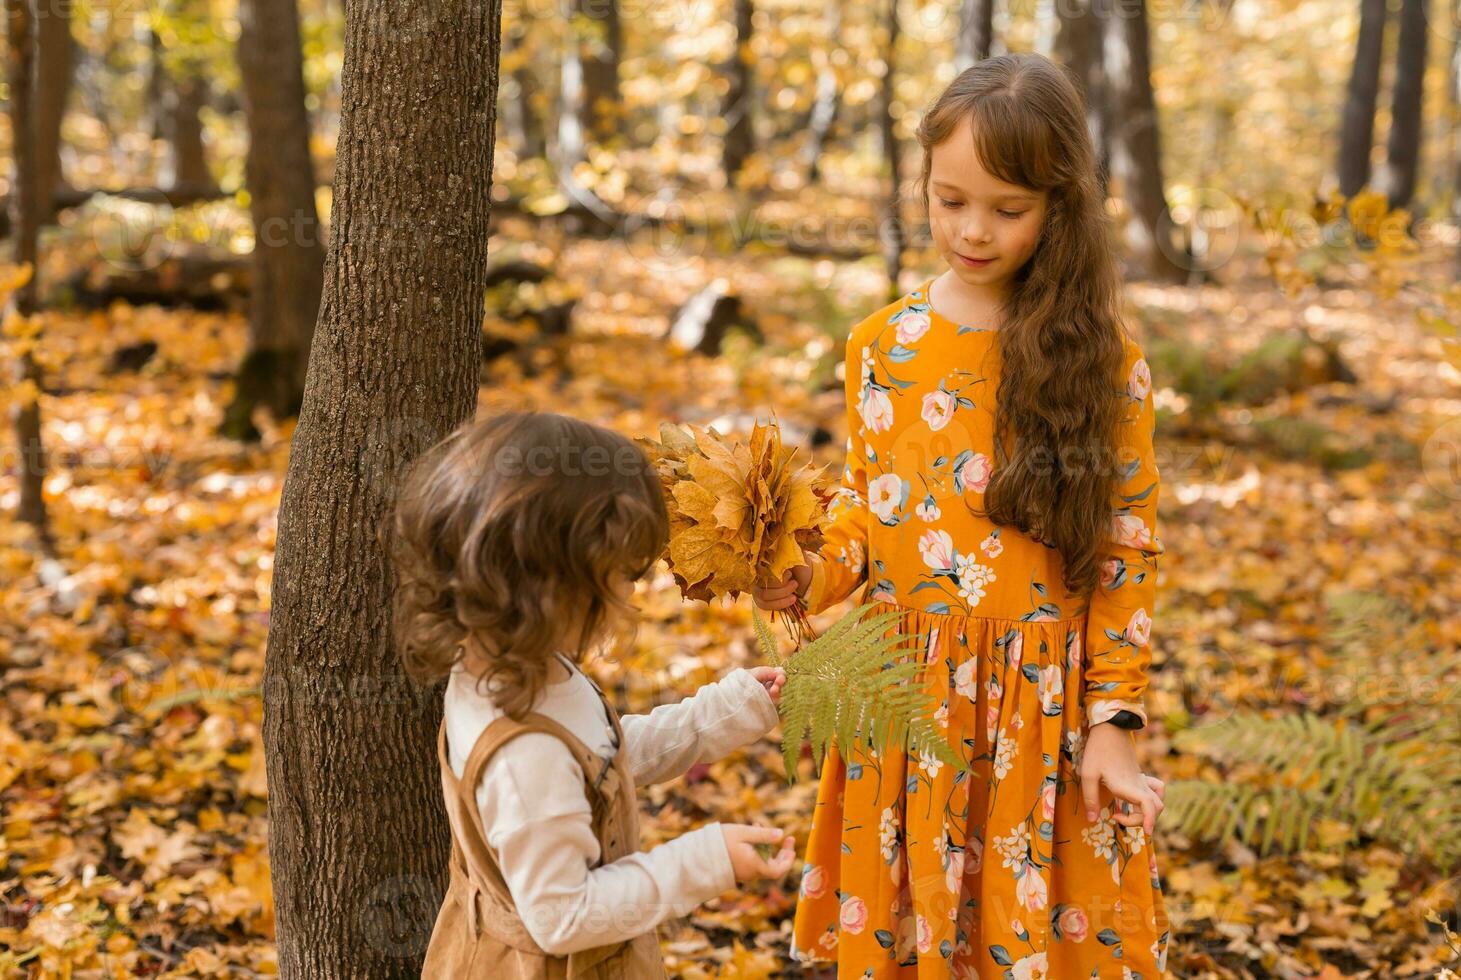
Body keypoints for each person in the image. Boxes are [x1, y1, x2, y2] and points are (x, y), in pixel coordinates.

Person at [755, 53, 1170, 977]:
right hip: (907, 710)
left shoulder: (1104, 366)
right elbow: (866, 515)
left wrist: (1114, 722)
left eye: (1007, 209)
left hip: (1040, 719)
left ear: (1058, 207)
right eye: (950, 200)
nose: (972, 230)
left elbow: (1124, 555)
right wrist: (806, 572)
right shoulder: (882, 346)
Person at [389, 409, 796, 978]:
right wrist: (703, 862)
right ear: (551, 584)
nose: (632, 595)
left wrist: (719, 714)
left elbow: (597, 761)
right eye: (621, 576)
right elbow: (562, 916)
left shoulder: (516, 668)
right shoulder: (522, 754)